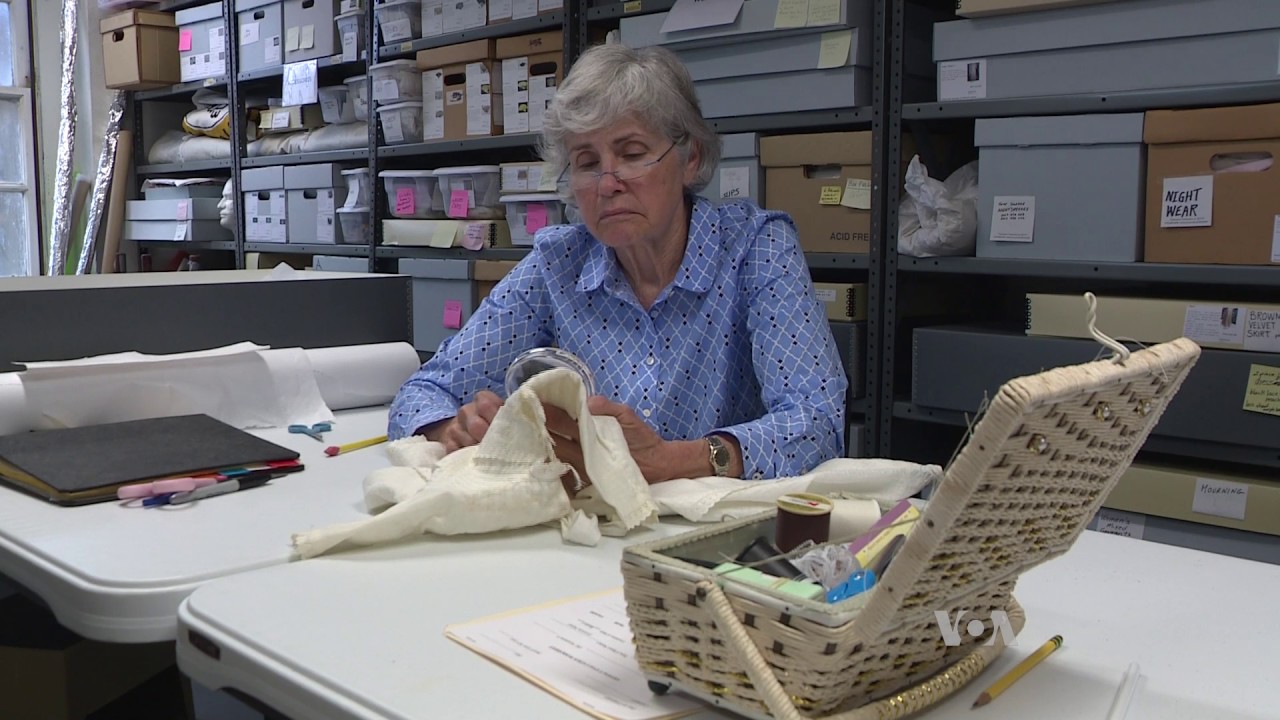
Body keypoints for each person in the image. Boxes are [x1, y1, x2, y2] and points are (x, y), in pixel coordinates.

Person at [388, 44, 847, 487]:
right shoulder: (558, 264)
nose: (608, 183)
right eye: (587, 163)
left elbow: (817, 422)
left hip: (714, 532)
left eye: (631, 154)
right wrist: (453, 428)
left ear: (692, 159)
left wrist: (674, 460)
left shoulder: (756, 249)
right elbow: (423, 391)